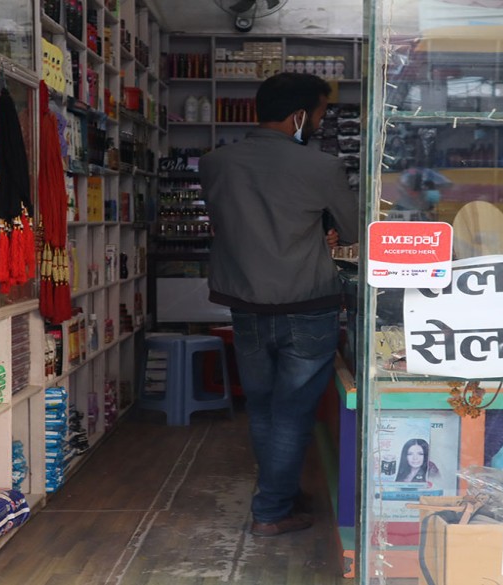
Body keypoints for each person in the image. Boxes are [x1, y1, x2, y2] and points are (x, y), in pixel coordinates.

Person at [200, 72, 360, 538]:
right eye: (320, 113)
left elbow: (239, 225)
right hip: (307, 304)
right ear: (298, 116)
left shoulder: (215, 163)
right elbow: (352, 232)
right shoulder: (321, 167)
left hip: (246, 306)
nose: (320, 122)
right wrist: (323, 232)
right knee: (292, 412)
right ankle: (271, 509)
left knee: (266, 407)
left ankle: (280, 492)